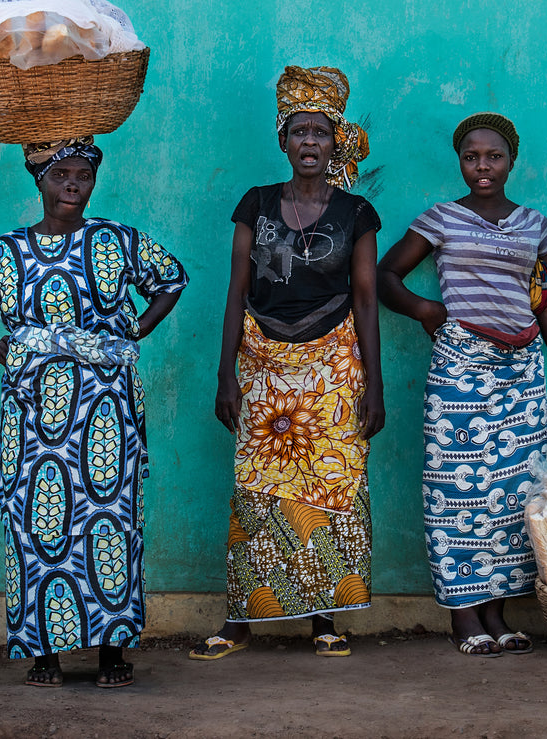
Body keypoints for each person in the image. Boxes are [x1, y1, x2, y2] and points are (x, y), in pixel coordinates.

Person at [0, 136, 188, 688]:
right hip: (31, 413)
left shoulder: (117, 239)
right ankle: (43, 654)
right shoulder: (3, 250)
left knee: (109, 521)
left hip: (105, 407)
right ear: (40, 180)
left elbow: (171, 279)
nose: (73, 185)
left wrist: (138, 330)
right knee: (36, 522)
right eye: (61, 175)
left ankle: (111, 652)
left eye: (83, 176)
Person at [189, 65, 383, 661]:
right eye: (299, 131)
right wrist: (225, 373)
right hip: (261, 366)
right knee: (254, 489)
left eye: (320, 132)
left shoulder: (357, 213)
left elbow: (366, 300)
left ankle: (324, 617)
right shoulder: (256, 204)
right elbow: (236, 291)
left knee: (329, 483)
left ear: (335, 141)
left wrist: (375, 386)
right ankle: (239, 620)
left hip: (333, 369)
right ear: (283, 139)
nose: (309, 143)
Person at [378, 112, 547, 657]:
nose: (482, 166)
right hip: (460, 366)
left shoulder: (535, 227)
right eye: (471, 157)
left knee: (515, 494)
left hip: (522, 371)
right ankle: (464, 615)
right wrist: (427, 309)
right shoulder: (441, 219)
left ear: (511, 161)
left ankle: (497, 613)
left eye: (493, 156)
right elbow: (384, 276)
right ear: (460, 162)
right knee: (456, 489)